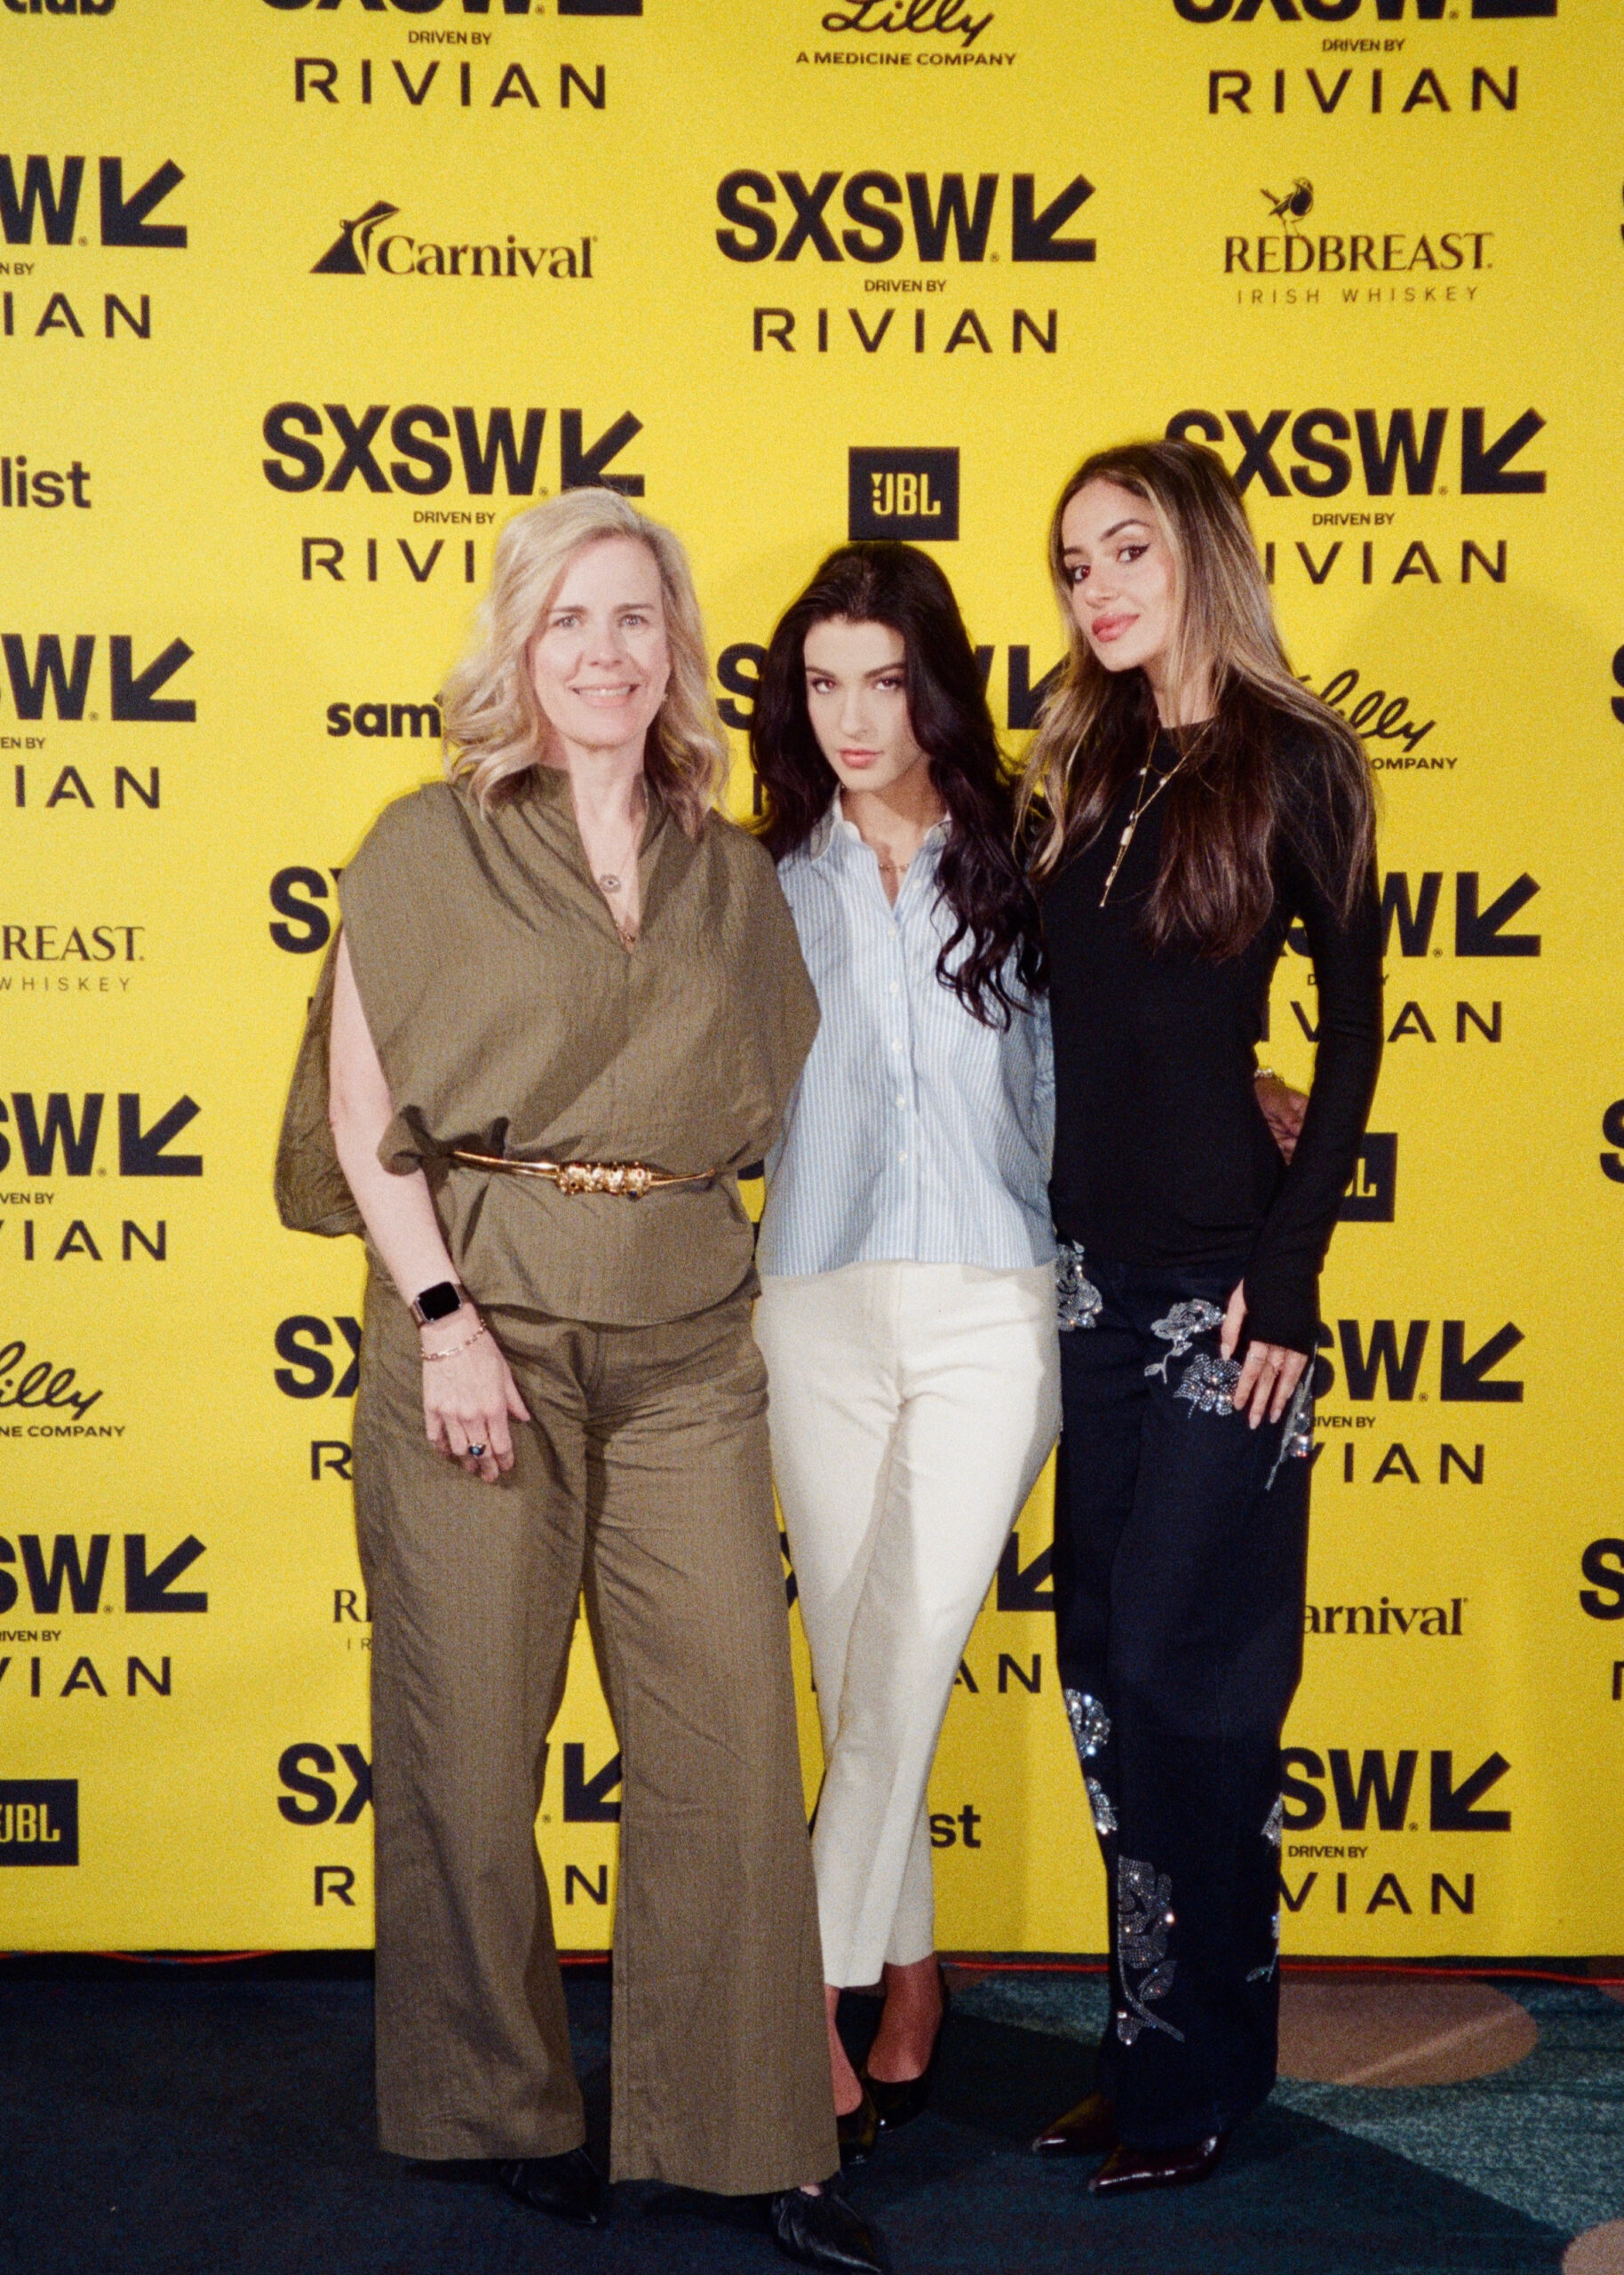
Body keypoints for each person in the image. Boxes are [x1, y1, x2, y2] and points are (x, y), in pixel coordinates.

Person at [274, 489, 884, 2274]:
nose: (607, 652)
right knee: (468, 1738)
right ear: (516, 646)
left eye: (637, 620)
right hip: (484, 1326)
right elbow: (359, 1112)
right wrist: (447, 1319)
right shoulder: (419, 847)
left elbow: (782, 1108)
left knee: (722, 1744)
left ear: (674, 650)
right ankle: (502, 2102)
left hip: (688, 1335)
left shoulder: (728, 869)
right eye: (571, 621)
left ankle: (748, 2131)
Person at [1020, 439, 1382, 2193]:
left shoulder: (1290, 759)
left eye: (1127, 549)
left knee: (1191, 1680)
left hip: (1225, 1303)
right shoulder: (1080, 765)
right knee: (1101, 1671)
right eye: (1073, 562)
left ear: (1202, 555)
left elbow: (1358, 1025)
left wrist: (1293, 1272)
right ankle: (1142, 2041)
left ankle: (1206, 2069)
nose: (1095, 587)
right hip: (1084, 1288)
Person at [748, 542, 1060, 2165]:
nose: (854, 716)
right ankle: (914, 1979)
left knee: (899, 1656)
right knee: (862, 1663)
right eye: (822, 682)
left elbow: (1121, 1046)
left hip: (994, 1302)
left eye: (884, 679)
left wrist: (1250, 1089)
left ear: (934, 681)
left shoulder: (1030, 850)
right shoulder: (759, 873)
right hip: (809, 1298)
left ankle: (791, 2009)